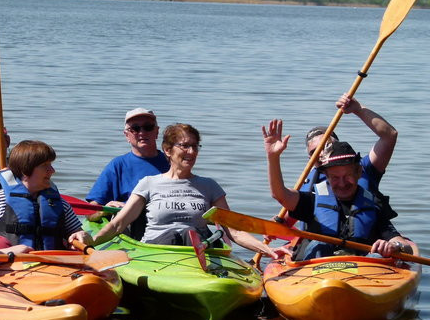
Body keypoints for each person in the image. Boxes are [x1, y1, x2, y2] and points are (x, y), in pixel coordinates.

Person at [93, 123, 285, 259]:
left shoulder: (209, 186)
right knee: (177, 234)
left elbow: (233, 231)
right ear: (167, 150)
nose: (192, 152)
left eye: (195, 146)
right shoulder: (148, 183)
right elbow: (119, 225)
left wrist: (268, 250)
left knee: (189, 232)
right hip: (156, 251)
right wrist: (90, 243)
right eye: (185, 146)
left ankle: (198, 251)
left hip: (196, 250)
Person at [263, 119, 415, 260]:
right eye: (335, 177)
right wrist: (273, 158)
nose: (342, 183)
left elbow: (405, 246)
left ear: (358, 173)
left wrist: (394, 246)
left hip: (361, 271)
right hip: (316, 272)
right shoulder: (312, 200)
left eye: (347, 175)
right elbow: (280, 194)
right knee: (318, 246)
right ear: (326, 176)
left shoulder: (373, 206)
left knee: (376, 256)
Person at [0, 140, 92, 252]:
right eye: (45, 165)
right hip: (10, 269)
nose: (52, 171)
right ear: (26, 170)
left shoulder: (59, 203)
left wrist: (83, 236)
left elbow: (81, 234)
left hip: (53, 269)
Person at [86, 108, 170, 238]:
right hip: (132, 227)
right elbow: (90, 213)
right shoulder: (118, 165)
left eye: (148, 127)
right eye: (135, 129)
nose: (142, 132)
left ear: (156, 132)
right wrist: (105, 210)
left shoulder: (173, 162)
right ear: (127, 135)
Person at [299, 94, 397, 194]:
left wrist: (358, 109)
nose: (320, 154)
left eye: (326, 146)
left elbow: (389, 136)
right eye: (314, 152)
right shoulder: (303, 183)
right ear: (309, 159)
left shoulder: (364, 168)